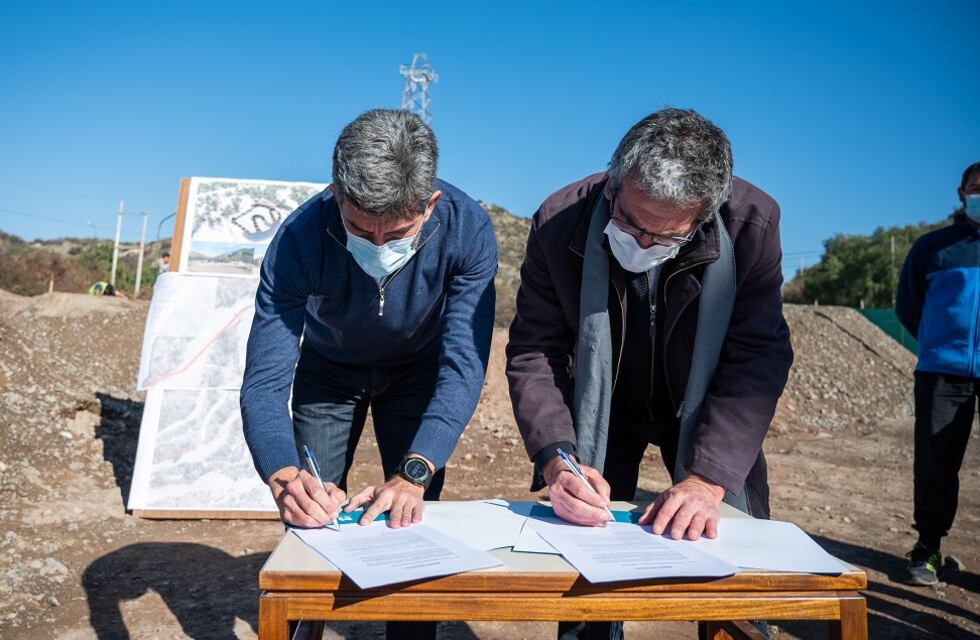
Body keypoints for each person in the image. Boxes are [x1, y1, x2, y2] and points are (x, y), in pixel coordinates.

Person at [506, 108, 792, 639]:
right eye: (630, 223)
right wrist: (557, 458)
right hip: (599, 409)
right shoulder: (560, 219)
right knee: (584, 563)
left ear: (704, 215)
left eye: (665, 237)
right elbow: (535, 350)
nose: (640, 244)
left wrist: (708, 479)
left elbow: (757, 354)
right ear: (614, 184)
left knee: (733, 566)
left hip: (708, 410)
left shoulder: (752, 223)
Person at [240, 109, 497, 639]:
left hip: (419, 371)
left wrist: (415, 473)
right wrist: (283, 478)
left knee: (408, 518)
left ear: (430, 205)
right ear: (337, 197)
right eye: (359, 229)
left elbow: (464, 364)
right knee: (310, 516)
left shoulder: (468, 229)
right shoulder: (298, 239)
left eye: (397, 233)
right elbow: (264, 381)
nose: (378, 246)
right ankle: (302, 627)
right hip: (329, 371)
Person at [895, 161, 980, 586]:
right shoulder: (933, 247)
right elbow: (908, 305)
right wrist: (937, 343)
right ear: (962, 193)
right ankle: (928, 547)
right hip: (941, 372)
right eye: (976, 187)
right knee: (936, 463)